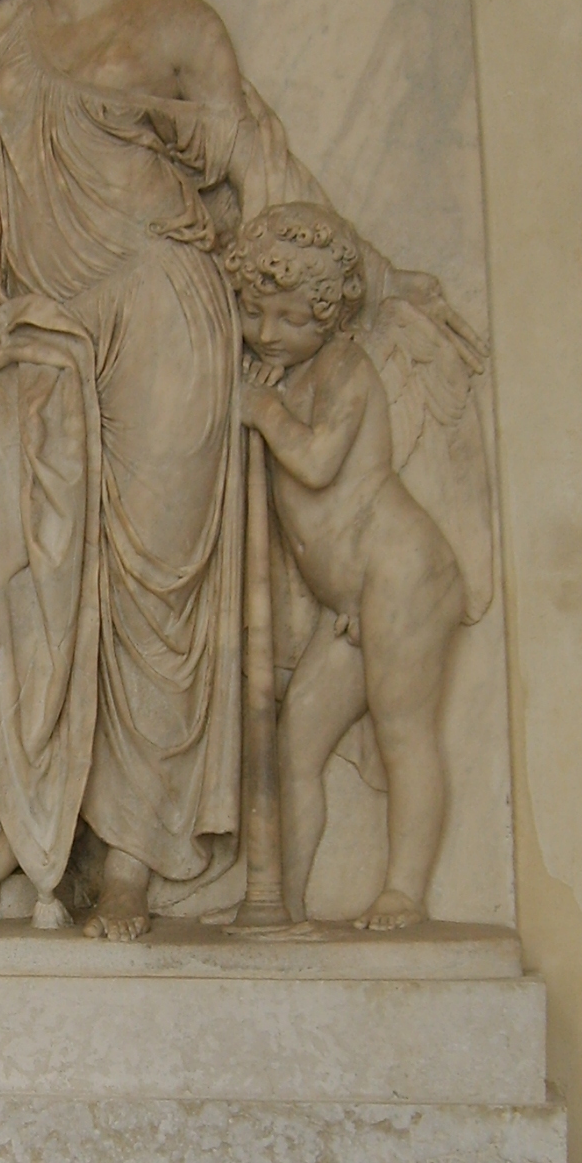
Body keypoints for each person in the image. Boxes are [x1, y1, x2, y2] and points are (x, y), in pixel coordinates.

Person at [0, 0, 280, 939]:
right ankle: (38, 818)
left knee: (153, 591)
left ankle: (128, 865)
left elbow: (252, 164)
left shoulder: (177, 25)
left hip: (163, 304)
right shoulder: (8, 29)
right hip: (47, 327)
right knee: (6, 556)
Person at [225, 205, 464, 930]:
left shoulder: (345, 367)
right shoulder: (282, 372)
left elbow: (320, 461)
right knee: (296, 742)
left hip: (402, 571)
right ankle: (282, 901)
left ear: (329, 314)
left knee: (403, 729)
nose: (270, 332)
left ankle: (404, 893)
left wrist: (262, 411)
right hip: (349, 600)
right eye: (256, 313)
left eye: (293, 317)